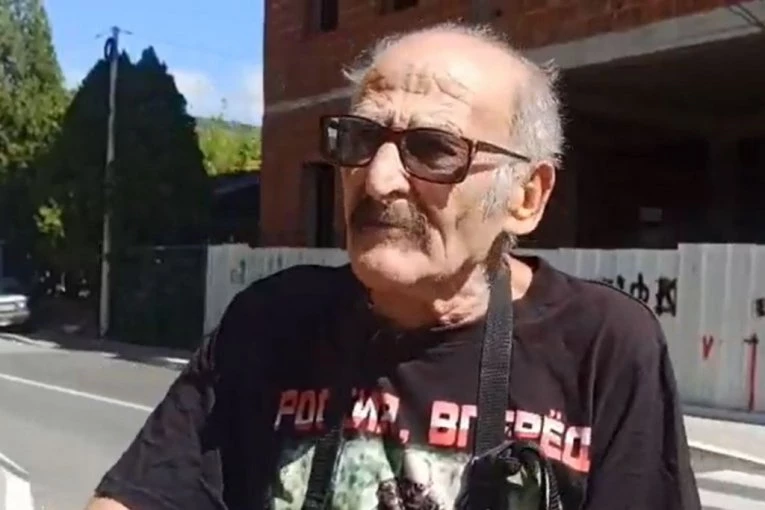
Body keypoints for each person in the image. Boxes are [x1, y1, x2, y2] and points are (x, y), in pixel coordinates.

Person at [85, 23, 701, 510]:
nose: (377, 180)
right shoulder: (271, 322)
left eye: (434, 149)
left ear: (525, 196)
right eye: (359, 140)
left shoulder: (603, 347)